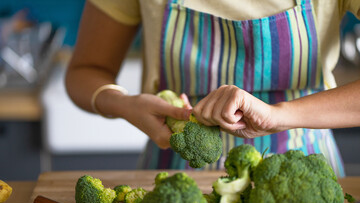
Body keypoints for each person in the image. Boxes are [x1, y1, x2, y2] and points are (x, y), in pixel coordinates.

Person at [65, 0, 360, 177]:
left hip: (305, 169)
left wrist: (278, 115)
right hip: (174, 169)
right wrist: (121, 103)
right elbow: (85, 71)